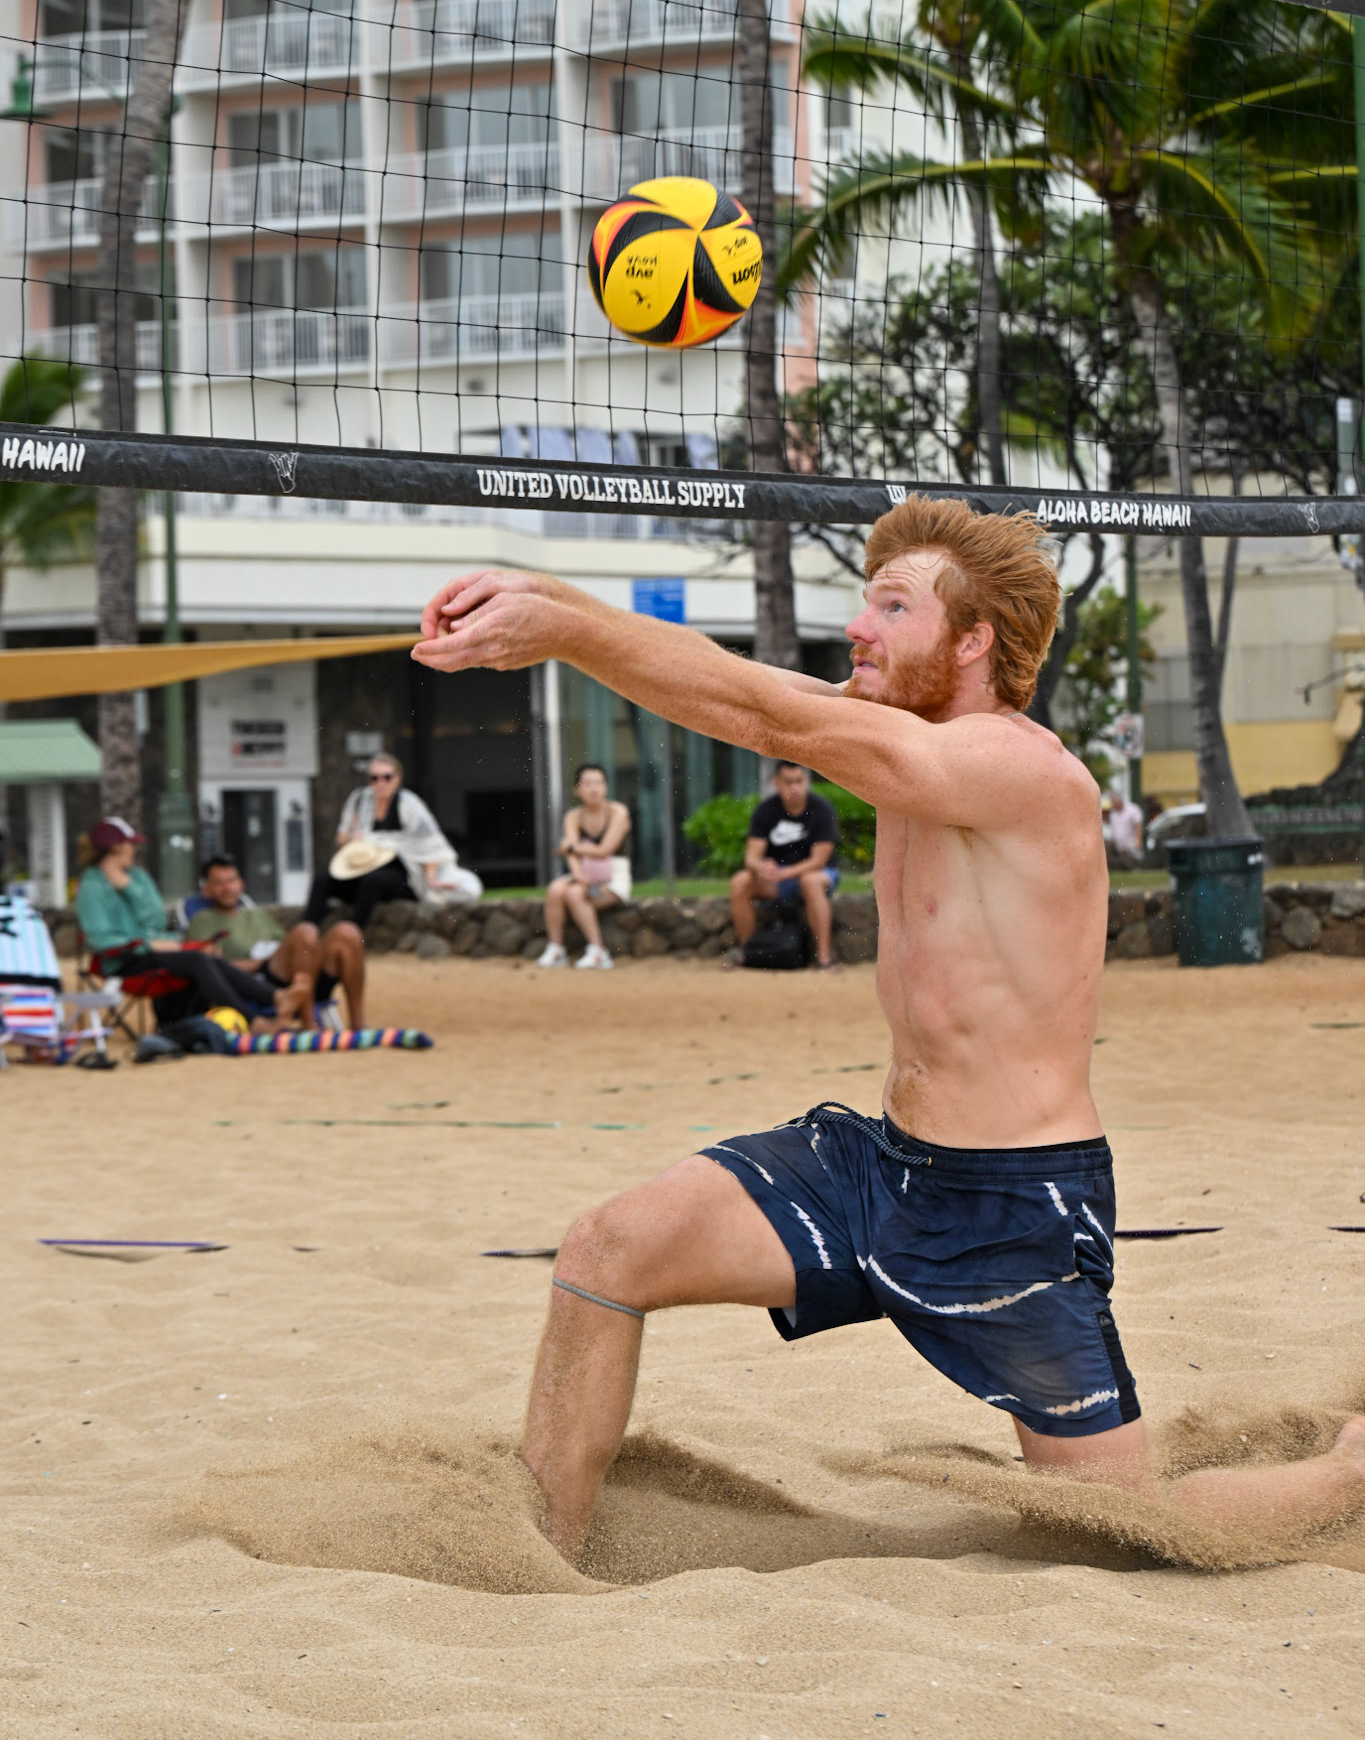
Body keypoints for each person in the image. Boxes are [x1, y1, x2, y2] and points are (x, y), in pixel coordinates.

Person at [413, 495, 1365, 1564]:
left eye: (893, 608)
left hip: (1013, 1205)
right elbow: (729, 684)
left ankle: (1351, 1468)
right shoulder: (901, 733)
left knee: (1121, 1532)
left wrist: (564, 629)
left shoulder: (1013, 767)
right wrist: (548, 596)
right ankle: (539, 1558)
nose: (858, 627)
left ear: (973, 641)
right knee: (607, 1248)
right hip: (881, 1166)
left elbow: (768, 719)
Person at [75, 818, 306, 1027]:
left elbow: (156, 919)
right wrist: (147, 944)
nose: (133, 849)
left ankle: (277, 998)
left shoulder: (137, 877)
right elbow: (101, 941)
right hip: (123, 961)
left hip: (151, 953)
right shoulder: (91, 888)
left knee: (207, 958)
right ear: (117, 846)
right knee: (197, 959)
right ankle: (254, 1021)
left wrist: (128, 887)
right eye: (130, 844)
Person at [185, 854, 365, 1029]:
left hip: (295, 973)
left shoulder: (257, 913)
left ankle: (358, 1024)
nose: (227, 888)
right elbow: (205, 967)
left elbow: (289, 945)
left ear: (241, 884)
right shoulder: (202, 920)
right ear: (207, 889)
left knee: (347, 932)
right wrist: (254, 963)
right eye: (219, 883)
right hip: (259, 984)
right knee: (305, 931)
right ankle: (309, 1023)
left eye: (231, 881)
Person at [303, 752, 476, 932]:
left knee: (373, 880)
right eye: (374, 778)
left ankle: (353, 934)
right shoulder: (359, 800)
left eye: (387, 777)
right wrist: (354, 839)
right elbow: (341, 839)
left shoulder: (409, 804)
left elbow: (429, 845)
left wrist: (432, 878)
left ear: (398, 778)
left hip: (403, 878)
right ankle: (306, 932)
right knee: (322, 878)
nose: (381, 783)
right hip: (359, 871)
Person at [730, 760, 838, 970]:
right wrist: (762, 868)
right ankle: (750, 953)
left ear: (806, 781)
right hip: (778, 879)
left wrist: (785, 873)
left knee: (810, 882)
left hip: (817, 874)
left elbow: (819, 860)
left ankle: (824, 958)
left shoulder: (822, 809)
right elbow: (751, 858)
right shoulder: (765, 810)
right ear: (776, 783)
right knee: (740, 882)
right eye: (788, 782)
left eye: (799, 781)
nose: (795, 787)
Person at [537, 764, 632, 970]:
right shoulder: (572, 816)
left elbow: (604, 850)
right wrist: (579, 874)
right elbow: (572, 855)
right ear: (577, 789)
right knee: (555, 889)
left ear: (606, 787)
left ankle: (598, 951)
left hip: (613, 877)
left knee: (574, 894)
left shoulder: (618, 812)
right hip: (584, 874)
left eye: (598, 783)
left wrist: (571, 847)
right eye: (587, 784)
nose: (594, 789)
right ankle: (556, 949)